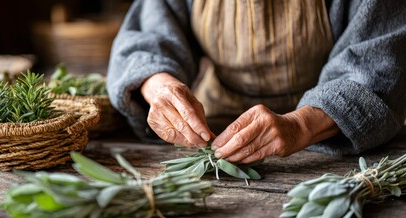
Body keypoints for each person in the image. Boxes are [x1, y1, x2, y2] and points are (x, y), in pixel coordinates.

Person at [107, 0, 406, 164]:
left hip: (329, 139)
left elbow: (380, 61)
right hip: (215, 125)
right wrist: (158, 85)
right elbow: (147, 34)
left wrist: (299, 125)